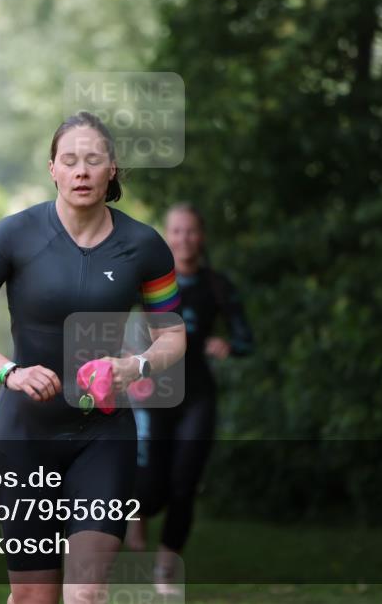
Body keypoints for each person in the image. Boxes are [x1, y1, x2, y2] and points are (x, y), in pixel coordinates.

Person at [0, 112, 187, 604]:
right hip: (24, 435)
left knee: (86, 594)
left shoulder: (145, 246)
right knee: (34, 598)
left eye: (93, 160)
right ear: (52, 168)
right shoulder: (14, 235)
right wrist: (10, 372)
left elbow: (173, 336)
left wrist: (132, 366)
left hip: (103, 436)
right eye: (70, 160)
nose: (81, 171)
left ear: (111, 169)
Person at [125, 202, 254, 589]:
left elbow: (245, 338)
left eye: (191, 231)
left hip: (197, 395)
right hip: (153, 393)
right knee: (150, 488)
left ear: (202, 237)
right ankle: (138, 512)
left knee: (185, 483)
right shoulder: (148, 282)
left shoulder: (217, 285)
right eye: (176, 231)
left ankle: (166, 569)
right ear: (167, 237)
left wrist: (227, 346)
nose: (184, 238)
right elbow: (107, 318)